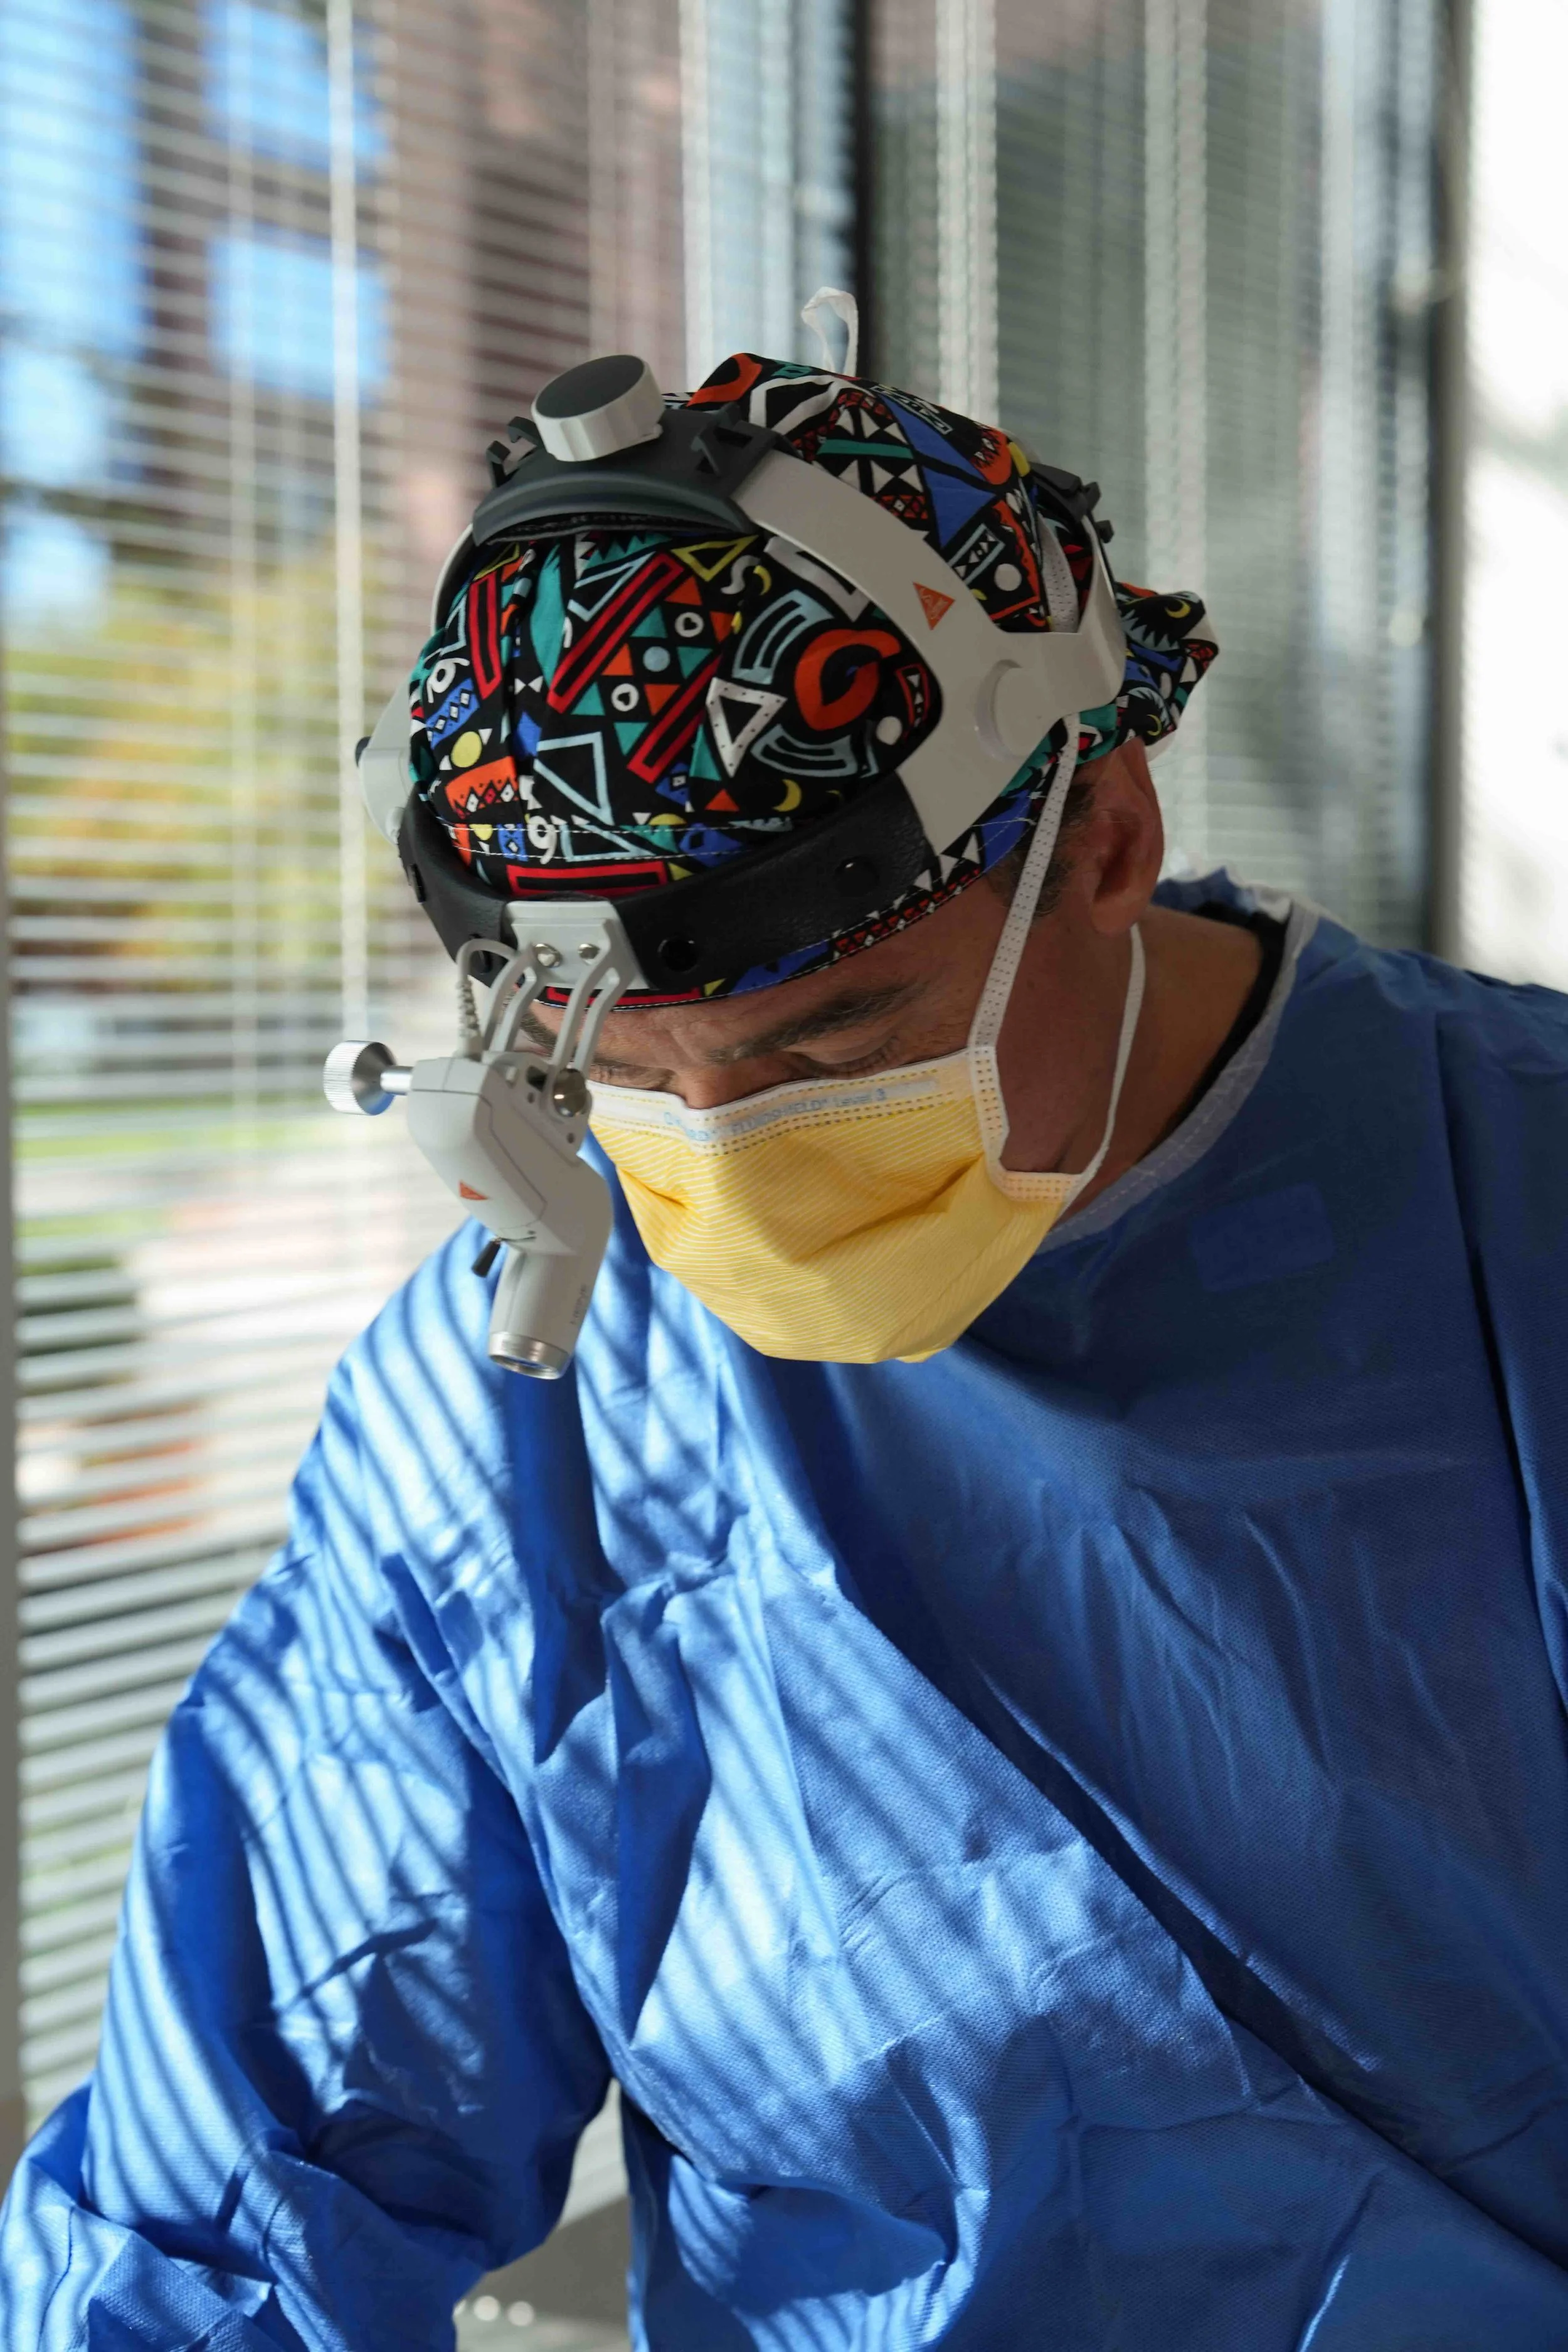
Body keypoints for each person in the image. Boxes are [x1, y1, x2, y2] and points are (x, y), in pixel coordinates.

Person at [6, 347, 1568, 2352]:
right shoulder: (513, 1420)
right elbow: (233, 2208)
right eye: (628, 1080)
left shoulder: (1507, 1209)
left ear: (1097, 835)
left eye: (828, 1046)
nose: (731, 1161)